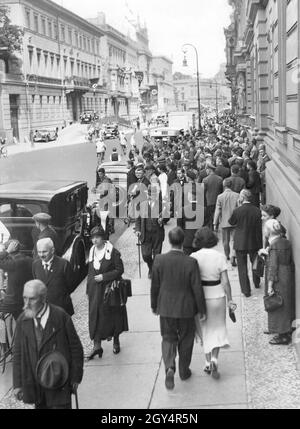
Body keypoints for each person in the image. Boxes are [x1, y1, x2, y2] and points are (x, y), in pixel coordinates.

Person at [13, 280, 84, 409]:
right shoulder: (22, 321)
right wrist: (18, 384)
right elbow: (17, 353)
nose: (26, 304)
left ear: (43, 298)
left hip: (59, 383)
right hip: (36, 387)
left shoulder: (60, 317)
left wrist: (75, 377)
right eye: (24, 298)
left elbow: (76, 348)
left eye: (32, 299)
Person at [151, 227, 206, 390]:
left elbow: (155, 285)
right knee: (186, 339)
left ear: (169, 241)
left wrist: (154, 305)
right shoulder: (190, 262)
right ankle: (183, 370)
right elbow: (197, 288)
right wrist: (201, 309)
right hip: (186, 308)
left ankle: (169, 367)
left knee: (168, 338)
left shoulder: (159, 260)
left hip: (166, 307)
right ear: (183, 242)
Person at [191, 227, 237, 379]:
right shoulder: (219, 256)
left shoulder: (194, 256)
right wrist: (230, 299)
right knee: (217, 328)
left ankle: (206, 361)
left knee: (204, 329)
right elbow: (225, 282)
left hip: (201, 297)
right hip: (217, 295)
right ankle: (215, 359)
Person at [86, 226, 127, 360]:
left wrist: (104, 277)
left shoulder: (112, 252)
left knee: (112, 316)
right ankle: (97, 346)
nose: (94, 240)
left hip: (109, 290)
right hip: (95, 291)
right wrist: (88, 288)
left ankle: (115, 340)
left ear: (103, 238)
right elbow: (90, 272)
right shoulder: (92, 252)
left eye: (97, 237)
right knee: (95, 316)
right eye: (93, 238)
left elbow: (119, 270)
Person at [259, 219, 294, 345]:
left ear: (268, 231)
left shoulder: (273, 246)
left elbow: (273, 267)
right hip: (287, 275)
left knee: (277, 304)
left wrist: (269, 286)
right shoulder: (285, 242)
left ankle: (282, 335)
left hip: (278, 277)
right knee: (285, 304)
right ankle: (286, 330)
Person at [228, 190, 263, 297]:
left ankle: (246, 290)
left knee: (242, 267)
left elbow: (231, 222)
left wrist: (238, 206)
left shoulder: (237, 210)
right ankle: (256, 283)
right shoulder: (257, 210)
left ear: (242, 198)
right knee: (255, 262)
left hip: (240, 242)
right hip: (254, 241)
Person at [32, 238, 75, 316]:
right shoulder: (35, 265)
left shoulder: (64, 264)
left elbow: (71, 286)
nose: (41, 255)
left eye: (44, 251)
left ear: (52, 250)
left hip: (62, 309)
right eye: (39, 252)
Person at [135, 185, 166, 279]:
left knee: (157, 255)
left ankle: (153, 272)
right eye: (149, 194)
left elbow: (166, 216)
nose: (150, 196)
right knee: (146, 255)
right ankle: (151, 266)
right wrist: (138, 230)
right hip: (145, 233)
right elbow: (138, 219)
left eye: (152, 194)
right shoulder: (142, 204)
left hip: (157, 233)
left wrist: (162, 220)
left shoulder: (161, 204)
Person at [0, 240, 33, 320]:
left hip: (13, 302)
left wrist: (7, 251)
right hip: (27, 300)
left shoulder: (13, 263)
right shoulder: (30, 260)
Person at [213, 178, 239, 263]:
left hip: (224, 222)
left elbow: (217, 210)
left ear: (224, 185)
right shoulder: (237, 195)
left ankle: (227, 255)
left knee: (225, 241)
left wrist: (215, 223)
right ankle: (233, 256)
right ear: (231, 185)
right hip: (235, 222)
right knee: (235, 240)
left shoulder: (220, 197)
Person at [203, 164, 223, 229]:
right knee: (216, 213)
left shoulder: (205, 179)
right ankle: (216, 226)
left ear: (209, 170)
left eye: (206, 170)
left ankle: (211, 228)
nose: (206, 171)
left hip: (208, 201)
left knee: (209, 216)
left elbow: (203, 191)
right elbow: (221, 190)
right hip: (217, 200)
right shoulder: (220, 179)